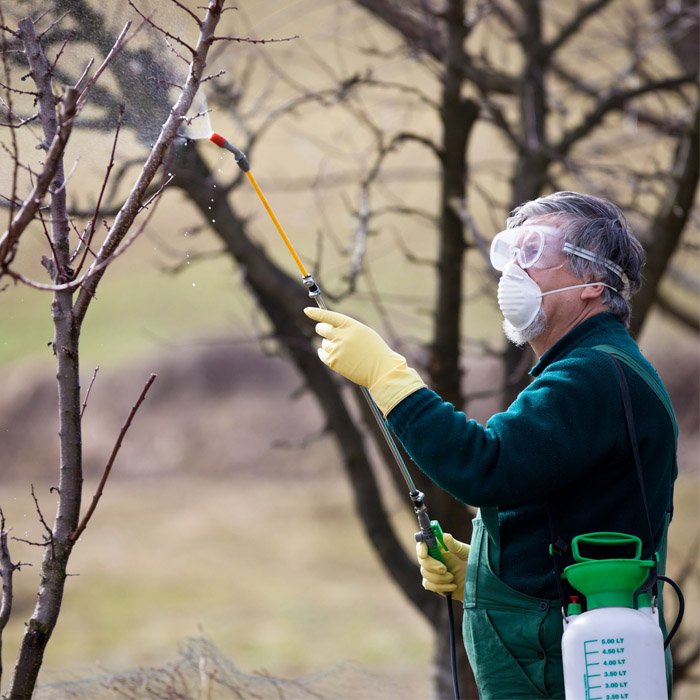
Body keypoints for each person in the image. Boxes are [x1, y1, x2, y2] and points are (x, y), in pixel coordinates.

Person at [304, 191, 677, 699]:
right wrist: (480, 571)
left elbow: (487, 467)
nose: (512, 275)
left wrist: (387, 377)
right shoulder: (594, 367)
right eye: (510, 253)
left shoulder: (592, 375)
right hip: (574, 654)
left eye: (534, 254)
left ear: (594, 285)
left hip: (575, 664)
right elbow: (560, 503)